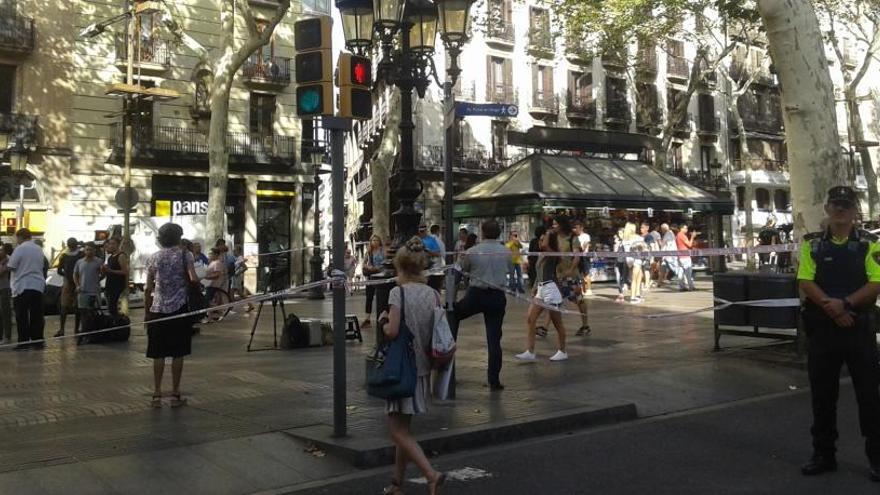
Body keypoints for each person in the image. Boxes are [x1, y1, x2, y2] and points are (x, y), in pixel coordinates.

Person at [797, 186, 880, 481]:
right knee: (822, 397)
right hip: (823, 330)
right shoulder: (812, 244)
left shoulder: (870, 244)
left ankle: (877, 458)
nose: (841, 211)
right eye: (836, 205)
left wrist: (844, 304)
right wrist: (832, 308)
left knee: (870, 398)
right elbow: (805, 280)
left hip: (858, 329)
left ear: (856, 209)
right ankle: (823, 454)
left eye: (846, 205)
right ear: (827, 208)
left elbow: (876, 282)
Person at [380, 237, 446, 495]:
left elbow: (393, 331)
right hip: (422, 367)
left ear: (401, 267)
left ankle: (431, 474)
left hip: (401, 369)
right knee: (403, 429)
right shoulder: (433, 295)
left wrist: (383, 321)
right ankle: (397, 483)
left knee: (396, 432)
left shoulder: (398, 293)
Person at [452, 220, 511, 390]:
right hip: (497, 296)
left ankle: (449, 363)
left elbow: (459, 272)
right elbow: (507, 269)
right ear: (499, 233)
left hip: (476, 294)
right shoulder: (506, 251)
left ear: (482, 233)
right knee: (494, 339)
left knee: (454, 315)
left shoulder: (472, 251)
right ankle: (494, 379)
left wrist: (453, 297)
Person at [145, 223, 199, 408]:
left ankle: (157, 393)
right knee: (178, 352)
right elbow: (193, 279)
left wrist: (147, 313)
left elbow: (148, 288)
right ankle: (175, 392)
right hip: (179, 308)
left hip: (157, 309)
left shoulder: (154, 258)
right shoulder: (186, 255)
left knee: (158, 353)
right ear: (179, 237)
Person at [518, 218, 568, 362]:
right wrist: (534, 287)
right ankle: (530, 351)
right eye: (540, 240)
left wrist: (549, 232)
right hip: (541, 288)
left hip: (551, 289)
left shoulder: (551, 253)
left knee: (557, 322)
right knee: (530, 318)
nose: (540, 243)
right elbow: (539, 273)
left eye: (542, 240)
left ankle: (563, 350)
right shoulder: (541, 254)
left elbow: (546, 245)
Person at [8, 229, 47, 350]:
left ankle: (23, 342)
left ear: (20, 237)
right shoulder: (38, 249)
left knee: (22, 316)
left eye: (16, 237)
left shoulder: (20, 249)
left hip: (22, 286)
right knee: (36, 315)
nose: (16, 240)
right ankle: (37, 341)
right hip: (37, 286)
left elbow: (11, 266)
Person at [554, 217, 590, 336]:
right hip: (558, 274)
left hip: (571, 275)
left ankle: (585, 325)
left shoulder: (572, 238)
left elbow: (577, 256)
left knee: (578, 299)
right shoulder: (554, 238)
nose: (554, 226)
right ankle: (544, 327)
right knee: (553, 299)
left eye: (556, 224)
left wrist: (571, 270)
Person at [74, 242, 104, 342]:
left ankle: (92, 334)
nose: (89, 252)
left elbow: (103, 273)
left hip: (94, 291)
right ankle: (84, 333)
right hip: (82, 292)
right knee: (83, 313)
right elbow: (75, 274)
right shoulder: (79, 262)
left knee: (93, 313)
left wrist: (97, 280)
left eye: (91, 250)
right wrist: (77, 285)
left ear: (94, 251)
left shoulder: (99, 261)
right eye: (87, 250)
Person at [55, 237, 83, 337]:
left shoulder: (64, 256)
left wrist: (66, 275)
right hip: (78, 281)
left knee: (64, 306)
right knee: (77, 306)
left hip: (68, 282)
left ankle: (62, 329)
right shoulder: (81, 255)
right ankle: (76, 329)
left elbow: (59, 270)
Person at [102, 237, 129, 320]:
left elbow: (125, 272)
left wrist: (111, 270)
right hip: (110, 285)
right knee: (110, 308)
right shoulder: (110, 257)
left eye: (113, 244)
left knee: (114, 308)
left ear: (118, 245)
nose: (111, 246)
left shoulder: (121, 256)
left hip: (117, 287)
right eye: (110, 244)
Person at [362, 235, 385, 328]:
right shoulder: (369, 252)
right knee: (369, 297)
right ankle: (367, 319)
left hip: (381, 276)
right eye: (373, 240)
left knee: (382, 297)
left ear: (379, 241)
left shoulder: (383, 251)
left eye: (376, 240)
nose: (374, 242)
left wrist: (378, 268)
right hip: (371, 277)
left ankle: (382, 317)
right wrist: (368, 267)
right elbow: (364, 263)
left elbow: (386, 262)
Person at [203, 247, 228, 322]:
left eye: (211, 254)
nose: (209, 255)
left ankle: (212, 316)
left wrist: (206, 277)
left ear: (216, 254)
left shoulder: (217, 263)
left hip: (214, 284)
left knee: (208, 301)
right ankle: (214, 315)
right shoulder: (212, 262)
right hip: (210, 284)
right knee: (210, 301)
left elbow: (217, 274)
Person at [419, 225, 443, 291]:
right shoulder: (417, 240)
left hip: (430, 269)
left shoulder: (431, 240)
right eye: (420, 231)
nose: (421, 233)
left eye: (422, 231)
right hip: (419, 269)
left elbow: (438, 253)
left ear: (426, 231)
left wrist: (428, 251)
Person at [675, 224, 698, 291]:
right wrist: (692, 237)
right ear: (681, 228)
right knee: (688, 272)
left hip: (680, 256)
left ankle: (681, 286)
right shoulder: (682, 235)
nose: (686, 230)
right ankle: (691, 286)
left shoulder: (677, 236)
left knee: (680, 272)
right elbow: (689, 244)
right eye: (685, 228)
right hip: (685, 256)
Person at [574, 220, 593, 296]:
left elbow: (585, 245)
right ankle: (582, 289)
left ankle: (589, 289)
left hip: (584, 256)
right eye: (575, 228)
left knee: (586, 273)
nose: (576, 229)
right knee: (579, 274)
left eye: (577, 228)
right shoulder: (575, 237)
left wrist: (580, 248)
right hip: (577, 256)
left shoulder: (586, 236)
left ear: (581, 228)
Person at [526, 226, 546, 292]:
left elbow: (530, 252)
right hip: (539, 262)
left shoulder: (533, 241)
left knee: (535, 277)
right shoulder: (544, 241)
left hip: (534, 262)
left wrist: (529, 261)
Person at [613, 227, 630, 303]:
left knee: (623, 278)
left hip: (624, 261)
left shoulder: (627, 242)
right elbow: (614, 252)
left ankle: (622, 293)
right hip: (618, 261)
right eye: (619, 233)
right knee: (617, 278)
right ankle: (620, 293)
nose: (619, 235)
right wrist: (616, 244)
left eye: (621, 233)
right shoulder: (617, 242)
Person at [658, 223, 677, 288]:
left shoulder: (669, 234)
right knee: (663, 268)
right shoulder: (668, 234)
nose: (661, 230)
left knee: (675, 268)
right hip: (666, 255)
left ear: (664, 229)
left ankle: (684, 281)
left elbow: (669, 245)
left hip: (669, 255)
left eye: (662, 229)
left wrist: (666, 255)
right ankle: (659, 282)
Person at [0, 244, 12, 344]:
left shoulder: (9, 260)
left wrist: (2, 264)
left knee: (5, 312)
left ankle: (7, 336)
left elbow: (1, 272)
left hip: (5, 288)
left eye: (2, 250)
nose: (0, 252)